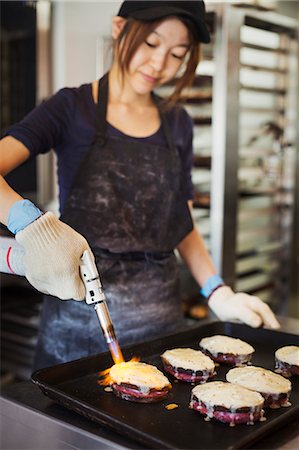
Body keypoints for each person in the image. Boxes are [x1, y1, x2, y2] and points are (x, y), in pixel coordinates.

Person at [0, 0, 280, 370]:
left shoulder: (177, 122)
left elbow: (181, 219)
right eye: (150, 44)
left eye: (177, 54)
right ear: (119, 29)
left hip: (161, 328)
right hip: (77, 330)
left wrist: (217, 290)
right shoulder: (71, 108)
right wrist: (29, 225)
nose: (159, 64)